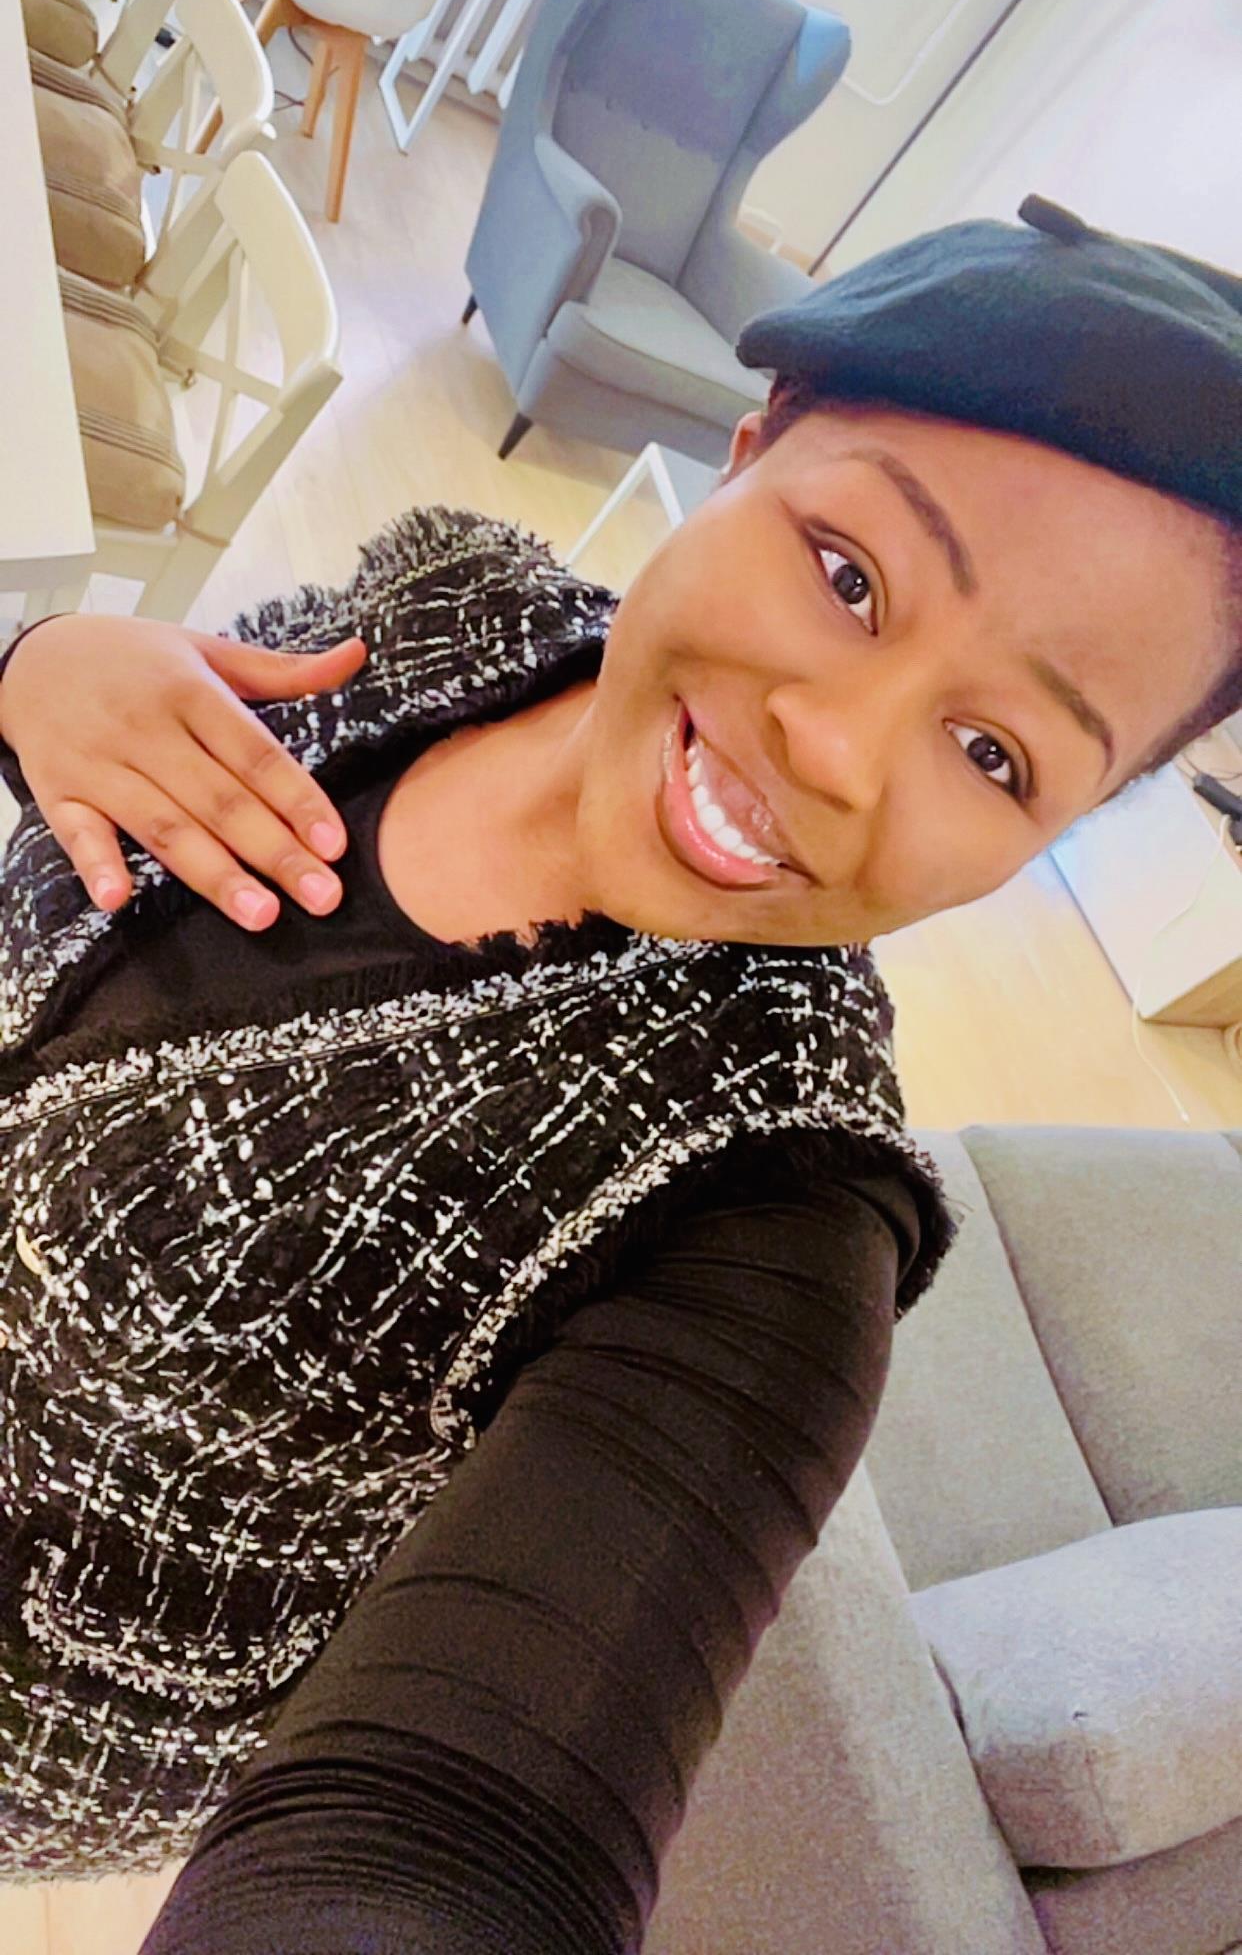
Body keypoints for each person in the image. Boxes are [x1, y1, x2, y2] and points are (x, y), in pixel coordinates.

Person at [0, 194, 1238, 1953]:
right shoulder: (459, 604)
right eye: (850, 576)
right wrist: (38, 675)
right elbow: (107, 808)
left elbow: (448, 1841)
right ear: (749, 446)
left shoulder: (768, 1226)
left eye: (991, 751)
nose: (836, 748)